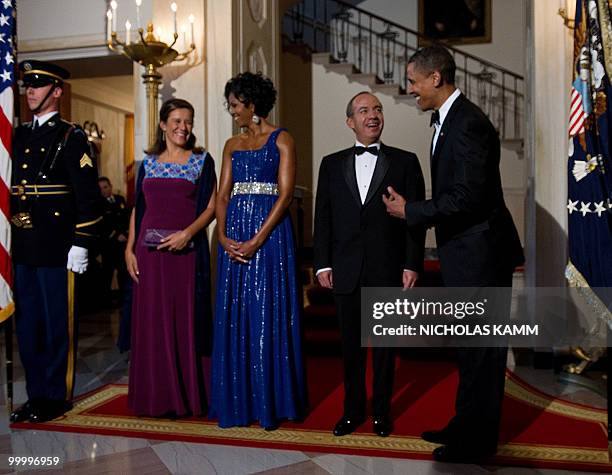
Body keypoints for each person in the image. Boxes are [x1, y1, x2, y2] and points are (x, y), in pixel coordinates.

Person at [383, 45, 524, 462]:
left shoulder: (467, 124)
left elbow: (468, 197)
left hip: (479, 254)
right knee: (470, 350)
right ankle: (465, 428)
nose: (410, 89)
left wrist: (411, 211)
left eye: (413, 80)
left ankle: (478, 445)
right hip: (466, 253)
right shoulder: (449, 119)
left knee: (481, 353)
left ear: (435, 79)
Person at [313, 91, 425, 437]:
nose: (372, 115)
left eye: (377, 108)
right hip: (345, 268)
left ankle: (381, 413)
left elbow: (414, 221)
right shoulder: (331, 164)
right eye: (363, 110)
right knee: (350, 349)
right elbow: (324, 219)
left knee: (384, 350)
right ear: (351, 122)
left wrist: (411, 263)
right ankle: (351, 411)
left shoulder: (406, 161)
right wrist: (321, 264)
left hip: (387, 267)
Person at [210, 72, 306, 429]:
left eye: (236, 105)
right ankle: (238, 400)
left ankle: (271, 401)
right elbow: (222, 195)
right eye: (231, 105)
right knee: (236, 313)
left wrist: (257, 239)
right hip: (233, 236)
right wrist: (221, 235)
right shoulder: (231, 145)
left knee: (266, 314)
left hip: (270, 240)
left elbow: (284, 196)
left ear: (252, 104)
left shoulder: (282, 139)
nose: (233, 111)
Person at [9, 60, 103, 423]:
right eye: (27, 85)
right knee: (28, 326)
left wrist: (82, 241)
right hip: (25, 245)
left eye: (38, 85)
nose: (30, 91)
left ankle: (55, 396)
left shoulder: (71, 136)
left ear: (57, 91)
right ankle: (35, 396)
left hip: (57, 247)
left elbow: (88, 197)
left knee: (55, 326)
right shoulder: (18, 136)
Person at [125, 98, 216, 417]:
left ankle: (188, 396)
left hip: (185, 253)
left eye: (188, 121)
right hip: (148, 256)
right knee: (152, 321)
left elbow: (211, 207)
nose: (183, 127)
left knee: (184, 320)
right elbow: (139, 206)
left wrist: (187, 234)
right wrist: (129, 248)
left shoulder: (201, 160)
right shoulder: (147, 163)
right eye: (176, 121)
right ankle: (155, 396)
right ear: (163, 124)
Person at [98, 177, 130, 305]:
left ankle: (124, 299)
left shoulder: (119, 200)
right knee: (107, 273)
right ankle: (105, 302)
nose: (104, 190)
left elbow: (125, 217)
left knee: (123, 272)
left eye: (105, 187)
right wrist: (116, 235)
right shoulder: (98, 204)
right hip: (109, 244)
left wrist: (125, 233)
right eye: (100, 188)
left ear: (110, 186)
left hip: (123, 243)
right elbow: (103, 224)